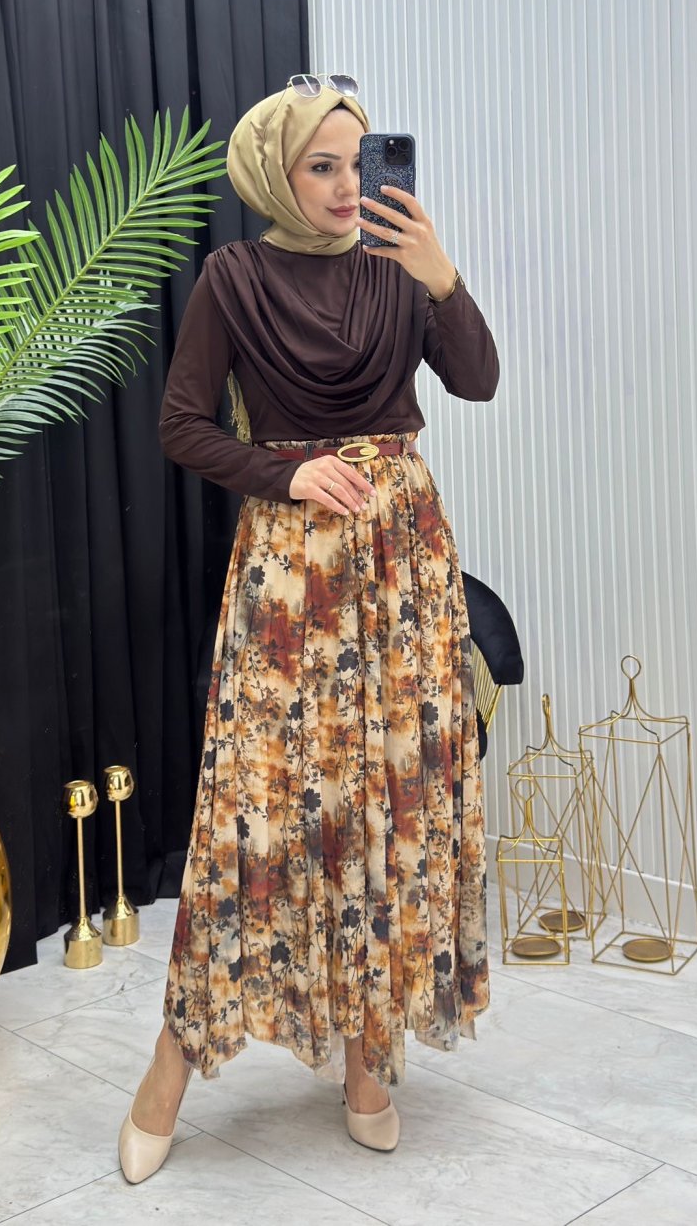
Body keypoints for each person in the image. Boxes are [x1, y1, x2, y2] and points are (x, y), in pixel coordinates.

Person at [118, 74, 500, 1183]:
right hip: (290, 570)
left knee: (392, 797)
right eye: (319, 165)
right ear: (276, 174)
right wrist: (286, 474)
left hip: (406, 561)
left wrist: (443, 277)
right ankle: (170, 1068)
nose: (343, 186)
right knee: (259, 804)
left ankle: (369, 1062)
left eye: (354, 162)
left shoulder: (399, 268)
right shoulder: (234, 279)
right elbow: (182, 425)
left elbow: (477, 380)